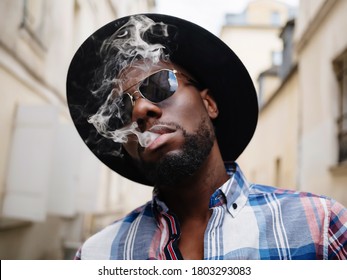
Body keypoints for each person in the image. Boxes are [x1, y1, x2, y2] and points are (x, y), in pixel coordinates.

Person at [67, 14, 347, 260]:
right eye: (121, 110)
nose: (140, 110)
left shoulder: (319, 230)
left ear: (209, 104)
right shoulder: (98, 255)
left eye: (160, 83)